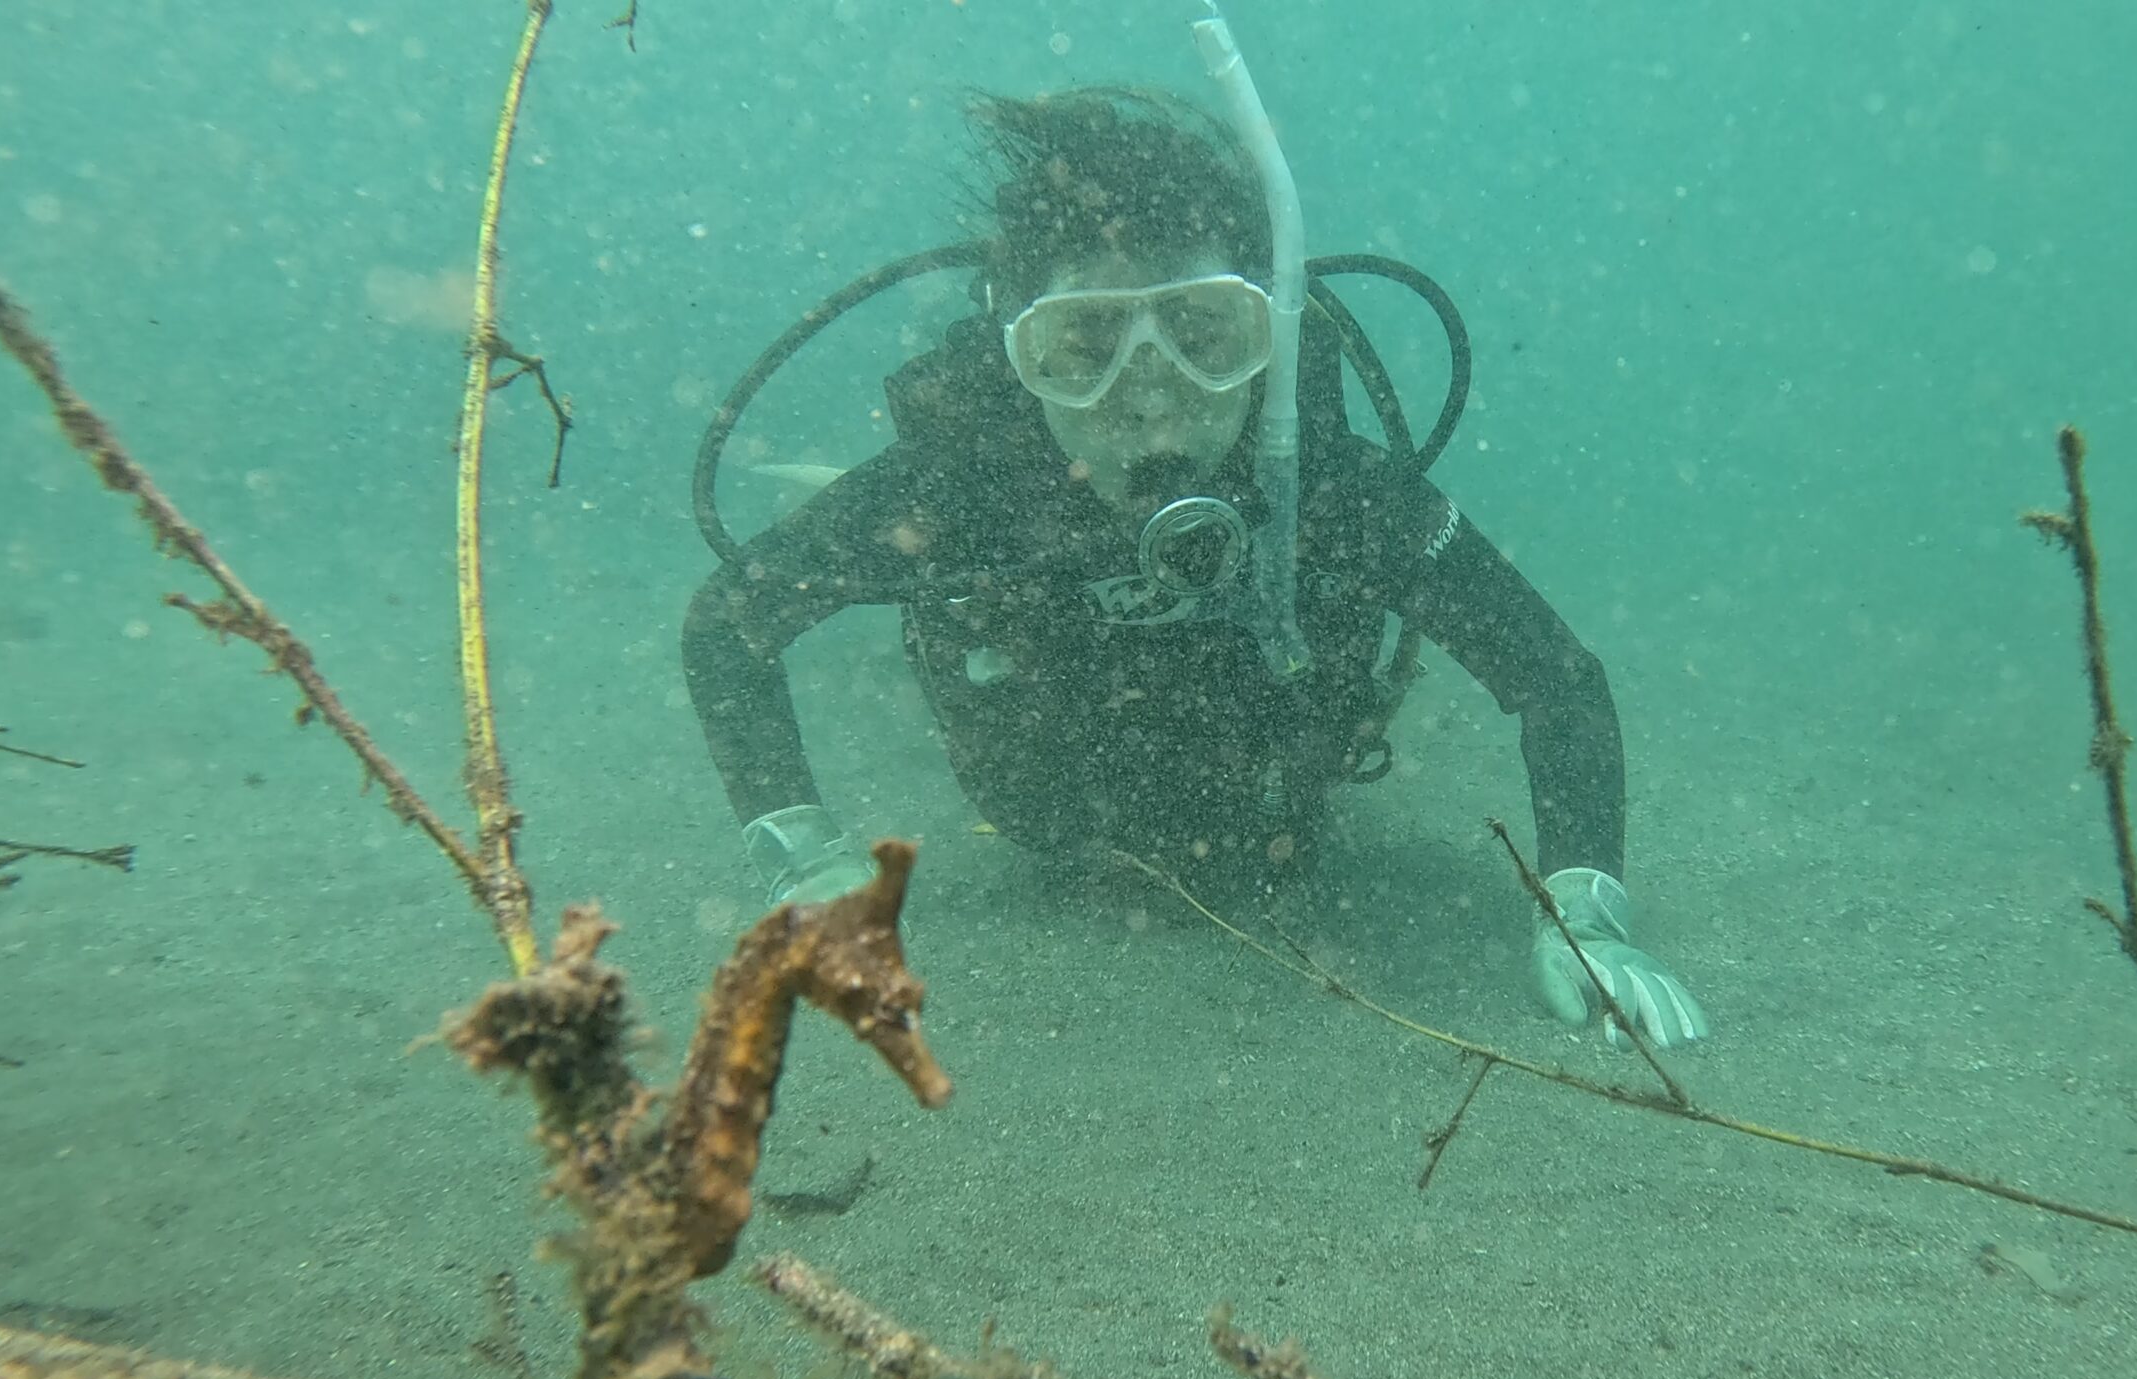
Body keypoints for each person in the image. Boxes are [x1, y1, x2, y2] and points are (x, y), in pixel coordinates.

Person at [680, 87, 1704, 1050]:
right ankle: (838, 487)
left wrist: (1588, 908)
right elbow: (731, 622)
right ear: (1015, 358)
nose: (1150, 394)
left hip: (1270, 828)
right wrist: (805, 860)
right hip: (1049, 814)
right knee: (897, 562)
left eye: (1205, 333)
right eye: (1082, 345)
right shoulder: (959, 491)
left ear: (1269, 337)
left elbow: (1553, 676)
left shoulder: (1337, 495)